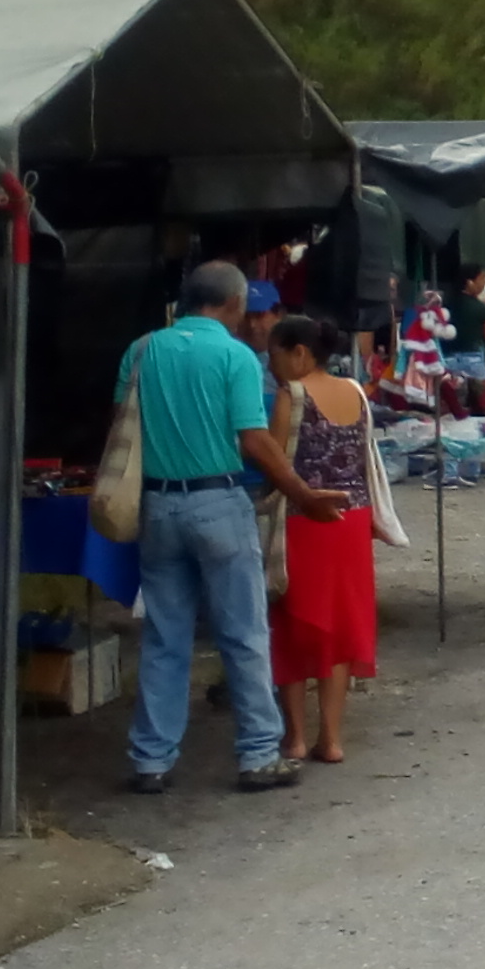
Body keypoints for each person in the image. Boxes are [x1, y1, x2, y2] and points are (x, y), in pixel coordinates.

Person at [122, 262, 346, 796]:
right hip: (217, 501)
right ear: (234, 303)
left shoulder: (141, 351)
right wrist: (302, 494)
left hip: (157, 504)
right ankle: (258, 755)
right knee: (243, 633)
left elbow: (124, 426)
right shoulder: (234, 356)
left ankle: (151, 760)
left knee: (164, 636)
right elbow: (254, 439)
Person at [263, 316, 377, 764]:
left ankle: (293, 736)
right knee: (341, 625)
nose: (272, 367)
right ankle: (330, 738)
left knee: (291, 623)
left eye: (275, 356)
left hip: (304, 520)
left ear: (299, 354)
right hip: (351, 520)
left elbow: (274, 462)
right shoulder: (356, 391)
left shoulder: (291, 396)